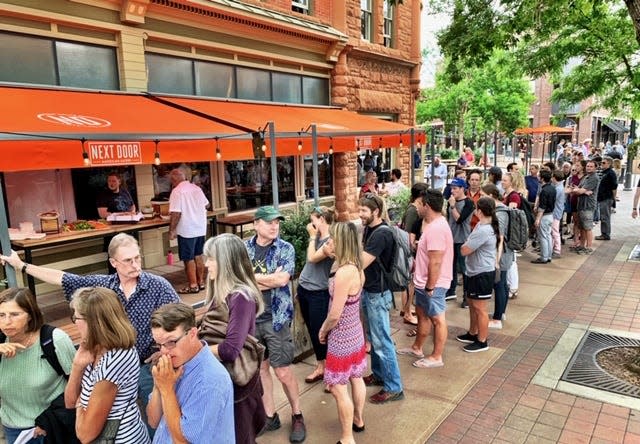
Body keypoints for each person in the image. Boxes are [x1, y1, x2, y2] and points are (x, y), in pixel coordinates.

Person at [0, 233, 181, 425]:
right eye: (128, 260)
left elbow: (180, 320)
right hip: (112, 367)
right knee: (114, 419)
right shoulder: (104, 286)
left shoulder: (159, 286)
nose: (135, 265)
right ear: (114, 262)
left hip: (146, 366)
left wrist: (163, 350)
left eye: (138, 258)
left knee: (157, 420)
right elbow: (64, 278)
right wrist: (22, 266)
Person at [244, 206, 306, 442]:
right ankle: (270, 415)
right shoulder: (244, 248)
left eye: (277, 222)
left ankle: (297, 414)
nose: (274, 226)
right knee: (261, 369)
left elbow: (282, 279)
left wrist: (252, 278)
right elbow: (238, 280)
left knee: (282, 371)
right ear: (256, 224)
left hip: (276, 319)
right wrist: (265, 280)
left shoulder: (285, 248)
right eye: (269, 222)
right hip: (251, 318)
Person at [201, 234, 266, 443]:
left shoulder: (241, 297)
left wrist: (195, 349)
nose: (206, 264)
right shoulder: (223, 293)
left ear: (226, 261)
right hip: (226, 381)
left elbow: (230, 349)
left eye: (211, 258)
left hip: (239, 384)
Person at [64, 287, 149, 443]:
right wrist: (77, 367)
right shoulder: (92, 349)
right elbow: (69, 402)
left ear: (92, 322)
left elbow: (85, 434)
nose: (75, 323)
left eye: (76, 318)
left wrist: (80, 406)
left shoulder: (113, 361)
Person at [148, 303, 234, 443]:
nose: (164, 351)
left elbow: (183, 440)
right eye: (158, 344)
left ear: (193, 333)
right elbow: (153, 421)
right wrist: (158, 385)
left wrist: (167, 390)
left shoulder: (210, 381)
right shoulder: (170, 370)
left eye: (171, 342)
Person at [0, 288, 76, 444]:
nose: (6, 322)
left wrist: (49, 421)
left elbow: (79, 384)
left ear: (30, 315)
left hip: (49, 428)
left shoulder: (54, 339)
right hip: (13, 429)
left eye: (15, 314)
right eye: (1, 315)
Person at [318, 221, 367, 444]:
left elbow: (335, 314)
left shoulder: (343, 273)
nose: (329, 243)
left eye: (332, 239)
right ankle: (358, 419)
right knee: (357, 378)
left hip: (341, 337)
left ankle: (347, 438)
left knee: (338, 388)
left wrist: (323, 329)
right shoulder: (356, 266)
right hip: (355, 332)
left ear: (342, 242)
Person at [397, 189, 453, 368]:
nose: (417, 207)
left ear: (426, 206)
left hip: (433, 284)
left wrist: (430, 287)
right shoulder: (434, 225)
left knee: (437, 319)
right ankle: (417, 348)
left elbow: (435, 262)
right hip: (423, 283)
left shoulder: (436, 228)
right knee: (422, 315)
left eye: (419, 204)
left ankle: (437, 356)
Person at [358, 194, 404, 404]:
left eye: (364, 211)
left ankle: (394, 387)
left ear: (375, 212)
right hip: (370, 290)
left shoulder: (381, 234)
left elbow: (362, 261)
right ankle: (378, 374)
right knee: (374, 338)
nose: (360, 214)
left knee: (382, 340)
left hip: (378, 293)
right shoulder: (369, 229)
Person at [298, 206, 335, 384]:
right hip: (304, 288)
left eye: (313, 219)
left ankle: (330, 371)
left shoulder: (331, 241)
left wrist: (312, 236)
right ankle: (321, 366)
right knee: (312, 331)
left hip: (318, 292)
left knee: (320, 331)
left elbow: (312, 258)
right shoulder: (318, 237)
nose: (310, 223)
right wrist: (314, 237)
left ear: (321, 220)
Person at [457, 197, 499, 353]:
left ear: (480, 210)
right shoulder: (481, 225)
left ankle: (482, 341)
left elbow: (464, 250)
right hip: (473, 271)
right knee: (472, 304)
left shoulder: (484, 230)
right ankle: (473, 333)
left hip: (482, 273)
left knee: (480, 308)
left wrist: (466, 245)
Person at [169, 166, 210, 294]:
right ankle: (201, 282)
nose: (171, 179)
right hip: (200, 227)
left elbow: (176, 213)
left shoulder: (177, 191)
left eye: (172, 177)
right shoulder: (196, 188)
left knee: (188, 258)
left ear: (178, 177)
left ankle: (193, 285)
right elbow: (207, 204)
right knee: (198, 255)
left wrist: (172, 230)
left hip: (187, 228)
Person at [482, 184, 511, 329]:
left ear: (491, 196)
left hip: (502, 254)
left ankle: (497, 318)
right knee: (503, 284)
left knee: (499, 284)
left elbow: (500, 238)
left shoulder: (500, 214)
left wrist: (496, 261)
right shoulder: (500, 211)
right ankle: (501, 312)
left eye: (483, 195)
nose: (481, 199)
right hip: (504, 253)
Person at [446, 177, 475, 307]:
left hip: (463, 239)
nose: (452, 191)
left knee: (464, 269)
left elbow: (459, 219)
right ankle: (450, 290)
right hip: (451, 239)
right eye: (451, 188)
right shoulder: (450, 201)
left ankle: (466, 296)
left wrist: (453, 206)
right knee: (450, 266)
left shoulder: (468, 203)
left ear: (462, 189)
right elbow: (449, 220)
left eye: (455, 188)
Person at [572, 160, 600, 255]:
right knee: (582, 227)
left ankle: (589, 247)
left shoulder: (594, 178)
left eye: (591, 166)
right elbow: (577, 189)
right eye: (588, 166)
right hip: (581, 205)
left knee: (587, 227)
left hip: (588, 206)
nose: (589, 168)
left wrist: (580, 191)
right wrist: (581, 191)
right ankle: (582, 246)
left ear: (595, 168)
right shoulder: (585, 177)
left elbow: (579, 191)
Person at [531, 169, 556, 264]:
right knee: (548, 236)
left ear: (542, 178)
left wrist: (537, 219)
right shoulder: (552, 188)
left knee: (543, 237)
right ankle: (548, 255)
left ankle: (544, 257)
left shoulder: (544, 190)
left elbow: (542, 206)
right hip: (550, 215)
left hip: (544, 216)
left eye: (539, 176)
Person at [596, 156, 617, 240]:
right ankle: (604, 233)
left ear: (609, 163)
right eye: (601, 162)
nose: (602, 164)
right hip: (601, 197)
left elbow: (614, 187)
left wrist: (613, 199)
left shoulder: (611, 173)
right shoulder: (604, 172)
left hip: (607, 197)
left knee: (605, 216)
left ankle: (605, 234)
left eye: (604, 163)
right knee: (603, 216)